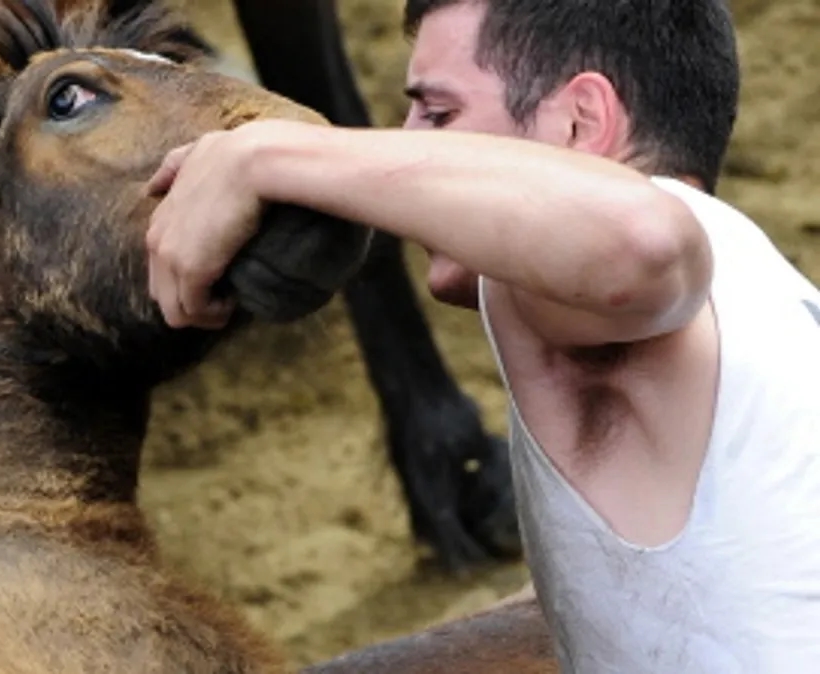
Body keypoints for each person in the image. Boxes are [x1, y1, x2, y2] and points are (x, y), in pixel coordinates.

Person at [144, 0, 820, 671]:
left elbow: (643, 243)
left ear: (580, 125)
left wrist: (267, 155)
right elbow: (634, 603)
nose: (405, 146)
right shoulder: (768, 309)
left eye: (439, 116)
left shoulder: (603, 275)